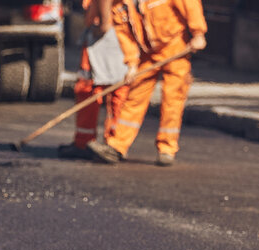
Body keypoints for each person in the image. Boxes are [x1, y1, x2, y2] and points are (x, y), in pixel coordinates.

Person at [87, 0, 207, 166]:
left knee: (173, 99)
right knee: (134, 98)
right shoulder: (120, 5)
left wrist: (198, 32)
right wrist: (131, 63)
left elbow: (190, 5)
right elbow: (124, 34)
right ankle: (116, 146)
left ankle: (167, 149)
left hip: (175, 48)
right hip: (148, 53)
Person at [58, 0, 130, 160]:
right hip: (117, 32)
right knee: (115, 88)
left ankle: (100, 145)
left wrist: (104, 24)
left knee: (92, 87)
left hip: (106, 34)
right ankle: (111, 144)